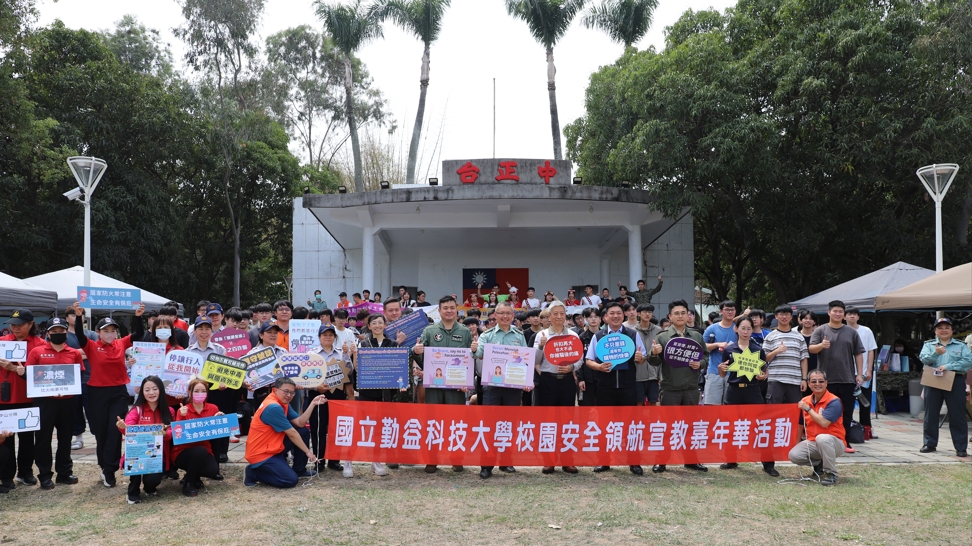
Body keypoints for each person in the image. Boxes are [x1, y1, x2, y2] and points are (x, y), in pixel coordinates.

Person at [72, 301, 145, 488]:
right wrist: (79, 316)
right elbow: (79, 335)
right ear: (98, 333)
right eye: (106, 331)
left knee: (115, 430)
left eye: (113, 330)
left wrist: (138, 317)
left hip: (119, 392)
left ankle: (110, 469)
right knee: (101, 432)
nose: (110, 334)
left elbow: (138, 334)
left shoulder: (120, 344)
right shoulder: (91, 346)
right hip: (97, 393)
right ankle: (103, 466)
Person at [412, 295, 474, 474]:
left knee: (456, 422)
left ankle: (457, 459)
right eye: (445, 307)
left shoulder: (465, 332)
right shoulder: (430, 331)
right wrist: (415, 351)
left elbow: (470, 358)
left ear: (457, 310)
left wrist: (467, 382)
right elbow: (419, 354)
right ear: (439, 311)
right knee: (433, 422)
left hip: (456, 387)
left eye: (452, 308)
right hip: (434, 385)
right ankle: (432, 460)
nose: (448, 310)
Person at [585, 301, 647, 475]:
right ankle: (603, 461)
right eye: (611, 313)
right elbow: (588, 360)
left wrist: (640, 357)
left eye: (619, 313)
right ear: (605, 317)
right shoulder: (598, 337)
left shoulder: (633, 335)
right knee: (605, 425)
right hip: (605, 386)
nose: (615, 316)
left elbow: (643, 359)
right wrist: (598, 367)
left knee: (630, 425)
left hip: (628, 387)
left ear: (624, 315)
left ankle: (634, 462)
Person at [649, 299, 708, 474]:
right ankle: (662, 461)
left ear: (688, 315)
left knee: (691, 426)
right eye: (677, 313)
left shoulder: (697, 336)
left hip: (690, 387)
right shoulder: (662, 336)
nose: (680, 316)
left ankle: (691, 460)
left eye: (684, 313)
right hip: (670, 388)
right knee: (667, 426)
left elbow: (705, 356)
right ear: (670, 316)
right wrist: (653, 353)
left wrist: (701, 363)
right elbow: (654, 362)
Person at [26, 317, 83, 489]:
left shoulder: (74, 353)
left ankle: (64, 473)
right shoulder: (37, 352)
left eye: (61, 331)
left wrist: (67, 389)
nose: (58, 334)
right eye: (54, 332)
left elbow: (77, 376)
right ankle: (44, 475)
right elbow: (30, 375)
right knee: (43, 439)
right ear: (48, 333)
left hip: (67, 402)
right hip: (45, 402)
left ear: (66, 331)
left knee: (65, 439)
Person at [717, 315, 778, 476]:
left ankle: (768, 464)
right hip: (734, 390)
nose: (746, 331)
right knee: (731, 426)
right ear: (736, 329)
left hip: (753, 390)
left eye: (749, 329)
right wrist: (720, 368)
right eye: (742, 328)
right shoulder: (729, 350)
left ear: (753, 330)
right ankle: (731, 459)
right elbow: (723, 374)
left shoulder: (758, 349)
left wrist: (763, 376)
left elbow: (764, 371)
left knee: (761, 426)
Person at [243, 377, 326, 488]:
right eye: (286, 391)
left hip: (273, 446)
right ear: (275, 390)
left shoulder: (282, 402)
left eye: (292, 393)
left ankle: (299, 470)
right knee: (290, 480)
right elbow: (292, 433)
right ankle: (253, 473)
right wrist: (308, 452)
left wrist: (313, 404)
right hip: (261, 453)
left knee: (303, 431)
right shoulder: (273, 407)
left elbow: (300, 423)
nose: (289, 395)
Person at [473, 302, 523, 479]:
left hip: (512, 387)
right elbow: (478, 353)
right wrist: (475, 348)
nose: (504, 316)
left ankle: (506, 461)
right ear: (495, 315)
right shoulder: (487, 336)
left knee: (509, 424)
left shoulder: (519, 335)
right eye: (501, 313)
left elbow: (524, 360)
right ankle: (486, 465)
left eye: (508, 313)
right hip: (492, 386)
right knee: (490, 425)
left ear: (512, 315)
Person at [808, 300, 864, 453]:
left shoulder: (851, 332)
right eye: (835, 311)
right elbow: (811, 349)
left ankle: (844, 441)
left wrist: (859, 374)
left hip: (847, 379)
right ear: (829, 312)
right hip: (826, 381)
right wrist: (821, 346)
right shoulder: (820, 330)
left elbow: (858, 353)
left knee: (846, 412)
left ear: (844, 314)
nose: (838, 314)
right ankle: (822, 441)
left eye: (840, 312)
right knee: (825, 413)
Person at [533, 301, 582, 474]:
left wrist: (572, 367)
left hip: (567, 380)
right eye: (556, 314)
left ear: (566, 315)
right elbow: (534, 361)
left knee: (567, 420)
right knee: (548, 422)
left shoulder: (573, 336)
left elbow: (580, 359)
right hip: (548, 381)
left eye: (562, 313)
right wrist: (541, 346)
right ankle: (549, 460)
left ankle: (568, 460)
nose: (559, 317)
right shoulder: (542, 335)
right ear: (549, 316)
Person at [350, 314, 402, 477]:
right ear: (369, 326)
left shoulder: (393, 344)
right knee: (365, 426)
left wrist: (400, 384)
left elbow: (397, 368)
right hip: (367, 390)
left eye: (381, 323)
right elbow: (358, 369)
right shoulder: (364, 343)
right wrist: (355, 354)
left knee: (380, 427)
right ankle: (350, 460)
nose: (378, 326)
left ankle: (376, 460)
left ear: (385, 325)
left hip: (385, 393)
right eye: (374, 323)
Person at [0, 308, 45, 489]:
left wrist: (14, 369)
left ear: (30, 324)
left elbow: (43, 373)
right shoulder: (2, 342)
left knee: (27, 440)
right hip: (4, 399)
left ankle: (25, 472)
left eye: (19, 325)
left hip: (29, 398)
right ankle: (6, 477)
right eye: (12, 325)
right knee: (5, 439)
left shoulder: (40, 344)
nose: (15, 328)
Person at [918, 318, 972, 457]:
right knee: (931, 414)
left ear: (952, 330)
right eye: (940, 327)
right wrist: (936, 353)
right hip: (933, 380)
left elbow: (968, 361)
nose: (944, 330)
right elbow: (924, 359)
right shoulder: (929, 345)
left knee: (957, 414)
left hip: (955, 380)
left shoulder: (961, 345)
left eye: (947, 327)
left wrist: (948, 366)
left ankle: (961, 447)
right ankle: (929, 443)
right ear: (935, 331)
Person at [186, 316, 236, 461]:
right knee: (201, 421)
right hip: (196, 393)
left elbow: (226, 373)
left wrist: (223, 383)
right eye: (200, 328)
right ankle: (204, 452)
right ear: (194, 331)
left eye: (207, 328)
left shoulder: (220, 350)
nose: (204, 332)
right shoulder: (187, 352)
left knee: (221, 419)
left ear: (211, 331)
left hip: (217, 391)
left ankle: (222, 451)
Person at [119, 375, 175, 504]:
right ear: (142, 392)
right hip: (138, 453)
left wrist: (166, 434)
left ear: (161, 390)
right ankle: (133, 490)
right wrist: (122, 428)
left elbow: (172, 431)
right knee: (135, 461)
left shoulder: (169, 411)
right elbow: (129, 430)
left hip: (158, 454)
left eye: (155, 389)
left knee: (153, 480)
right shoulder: (136, 410)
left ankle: (149, 488)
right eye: (147, 390)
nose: (151, 393)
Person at [308, 324, 354, 473]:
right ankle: (319, 461)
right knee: (318, 428)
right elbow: (305, 378)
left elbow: (349, 371)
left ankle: (334, 461)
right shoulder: (312, 354)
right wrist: (316, 388)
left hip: (338, 395)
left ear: (335, 337)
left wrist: (348, 355)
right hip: (318, 395)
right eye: (324, 334)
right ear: (319, 337)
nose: (328, 337)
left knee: (336, 428)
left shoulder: (341, 353)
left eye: (331, 334)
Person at [789, 370, 845, 485]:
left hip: (835, 442)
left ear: (826, 383)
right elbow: (800, 425)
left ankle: (831, 473)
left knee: (822, 438)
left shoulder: (834, 401)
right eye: (814, 381)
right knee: (794, 455)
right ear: (809, 384)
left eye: (821, 381)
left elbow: (824, 423)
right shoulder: (805, 401)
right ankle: (820, 462)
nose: (817, 384)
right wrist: (797, 443)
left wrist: (808, 409)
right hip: (813, 441)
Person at [173, 378, 225, 497]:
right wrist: (181, 416)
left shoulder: (213, 408)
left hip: (205, 449)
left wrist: (220, 420)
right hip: (183, 451)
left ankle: (194, 476)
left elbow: (218, 431)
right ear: (189, 392)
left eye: (203, 391)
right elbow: (178, 434)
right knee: (200, 451)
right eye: (196, 391)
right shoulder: (183, 410)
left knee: (212, 470)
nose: (200, 394)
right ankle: (188, 484)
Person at [763, 305, 809, 405]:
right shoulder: (770, 336)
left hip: (794, 380)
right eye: (781, 314)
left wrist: (804, 379)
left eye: (787, 314)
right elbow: (764, 358)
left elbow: (804, 359)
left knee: (795, 410)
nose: (784, 317)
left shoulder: (799, 336)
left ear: (791, 317)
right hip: (775, 379)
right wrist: (776, 351)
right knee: (773, 410)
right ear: (776, 316)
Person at [844, 307, 878, 439]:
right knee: (847, 404)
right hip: (845, 374)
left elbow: (871, 350)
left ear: (858, 317)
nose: (852, 316)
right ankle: (848, 428)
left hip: (863, 373)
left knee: (865, 402)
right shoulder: (842, 330)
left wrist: (869, 369)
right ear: (844, 317)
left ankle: (867, 428)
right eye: (849, 314)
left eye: (855, 314)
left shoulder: (866, 331)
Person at [65, 307, 96, 451]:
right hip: (70, 379)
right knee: (75, 410)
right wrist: (83, 353)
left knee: (92, 410)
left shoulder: (92, 334)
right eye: (73, 314)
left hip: (89, 377)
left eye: (81, 314)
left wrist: (73, 353)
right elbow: (63, 354)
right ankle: (78, 438)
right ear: (66, 318)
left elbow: (95, 352)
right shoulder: (62, 335)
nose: (77, 316)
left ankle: (98, 437)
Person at [703, 301, 739, 405]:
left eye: (732, 309)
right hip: (714, 372)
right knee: (712, 406)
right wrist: (717, 344)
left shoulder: (738, 328)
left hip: (734, 373)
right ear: (721, 311)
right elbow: (702, 347)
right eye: (727, 309)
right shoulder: (712, 328)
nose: (730, 312)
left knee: (731, 407)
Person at [633, 304, 661, 406]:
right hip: (637, 375)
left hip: (653, 375)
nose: (647, 314)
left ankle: (652, 422)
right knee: (638, 403)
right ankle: (639, 422)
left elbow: (661, 355)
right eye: (644, 312)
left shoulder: (658, 331)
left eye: (649, 312)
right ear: (639, 314)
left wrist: (659, 375)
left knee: (653, 403)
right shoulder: (632, 332)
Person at [577, 308, 602, 407]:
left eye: (596, 317)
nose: (593, 319)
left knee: (603, 406)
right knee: (586, 406)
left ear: (601, 319)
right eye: (590, 317)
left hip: (603, 377)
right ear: (585, 319)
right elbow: (579, 359)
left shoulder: (605, 336)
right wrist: (581, 379)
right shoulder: (582, 337)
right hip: (587, 378)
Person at [797, 309, 818, 395]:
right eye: (805, 318)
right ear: (801, 321)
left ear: (814, 322)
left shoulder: (818, 336)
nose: (808, 320)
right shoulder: (796, 336)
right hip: (798, 373)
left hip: (816, 371)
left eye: (811, 319)